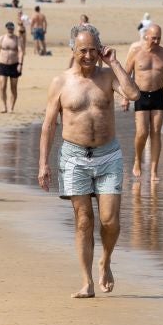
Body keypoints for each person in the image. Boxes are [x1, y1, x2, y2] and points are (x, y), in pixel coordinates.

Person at [38, 24, 141, 298]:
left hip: (108, 155)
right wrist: (43, 164)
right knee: (84, 220)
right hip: (74, 157)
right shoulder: (61, 82)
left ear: (100, 49)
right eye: (82, 50)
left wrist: (115, 62)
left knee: (110, 221)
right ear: (73, 50)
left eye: (93, 49)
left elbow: (133, 94)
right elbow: (49, 125)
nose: (88, 55)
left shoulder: (108, 76)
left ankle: (105, 261)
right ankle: (86, 282)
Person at [123, 25, 163, 181]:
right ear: (146, 36)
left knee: (156, 132)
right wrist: (125, 97)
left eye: (159, 37)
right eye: (154, 37)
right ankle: (138, 160)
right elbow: (126, 75)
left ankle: (154, 171)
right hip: (140, 95)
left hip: (158, 95)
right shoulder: (136, 52)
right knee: (142, 132)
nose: (157, 41)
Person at [0, 21, 24, 113]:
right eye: (8, 28)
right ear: (6, 28)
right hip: (3, 65)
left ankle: (11, 107)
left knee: (13, 87)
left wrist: (20, 64)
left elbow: (20, 52)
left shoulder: (17, 39)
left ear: (13, 29)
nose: (10, 30)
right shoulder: (1, 38)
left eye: (11, 28)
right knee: (2, 86)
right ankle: (4, 106)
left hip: (14, 65)